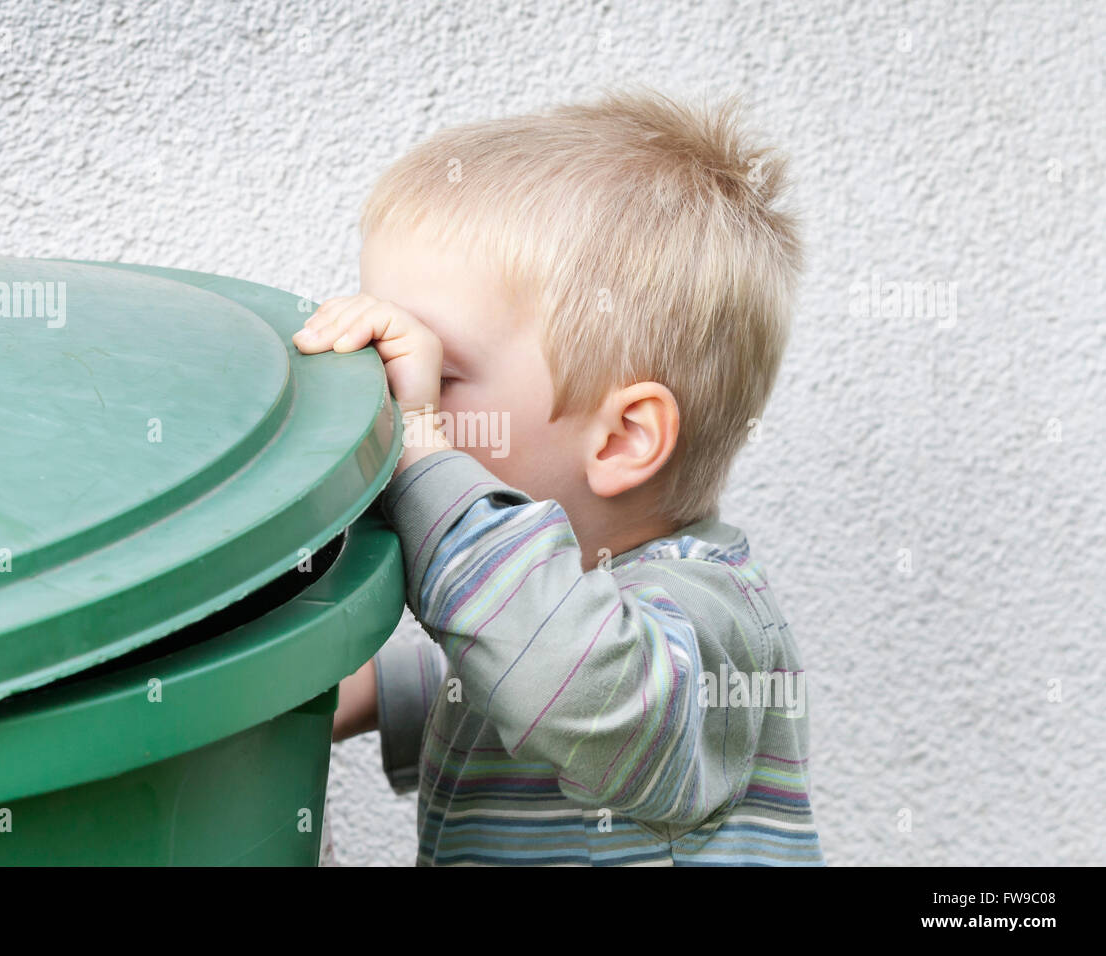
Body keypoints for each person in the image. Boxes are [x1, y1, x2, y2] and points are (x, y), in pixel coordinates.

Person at [297, 87, 823, 866]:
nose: (394, 399)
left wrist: (421, 456)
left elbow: (575, 688)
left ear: (619, 439)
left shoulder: (716, 627)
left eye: (437, 374)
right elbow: (483, 658)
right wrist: (327, 686)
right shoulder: (543, 615)